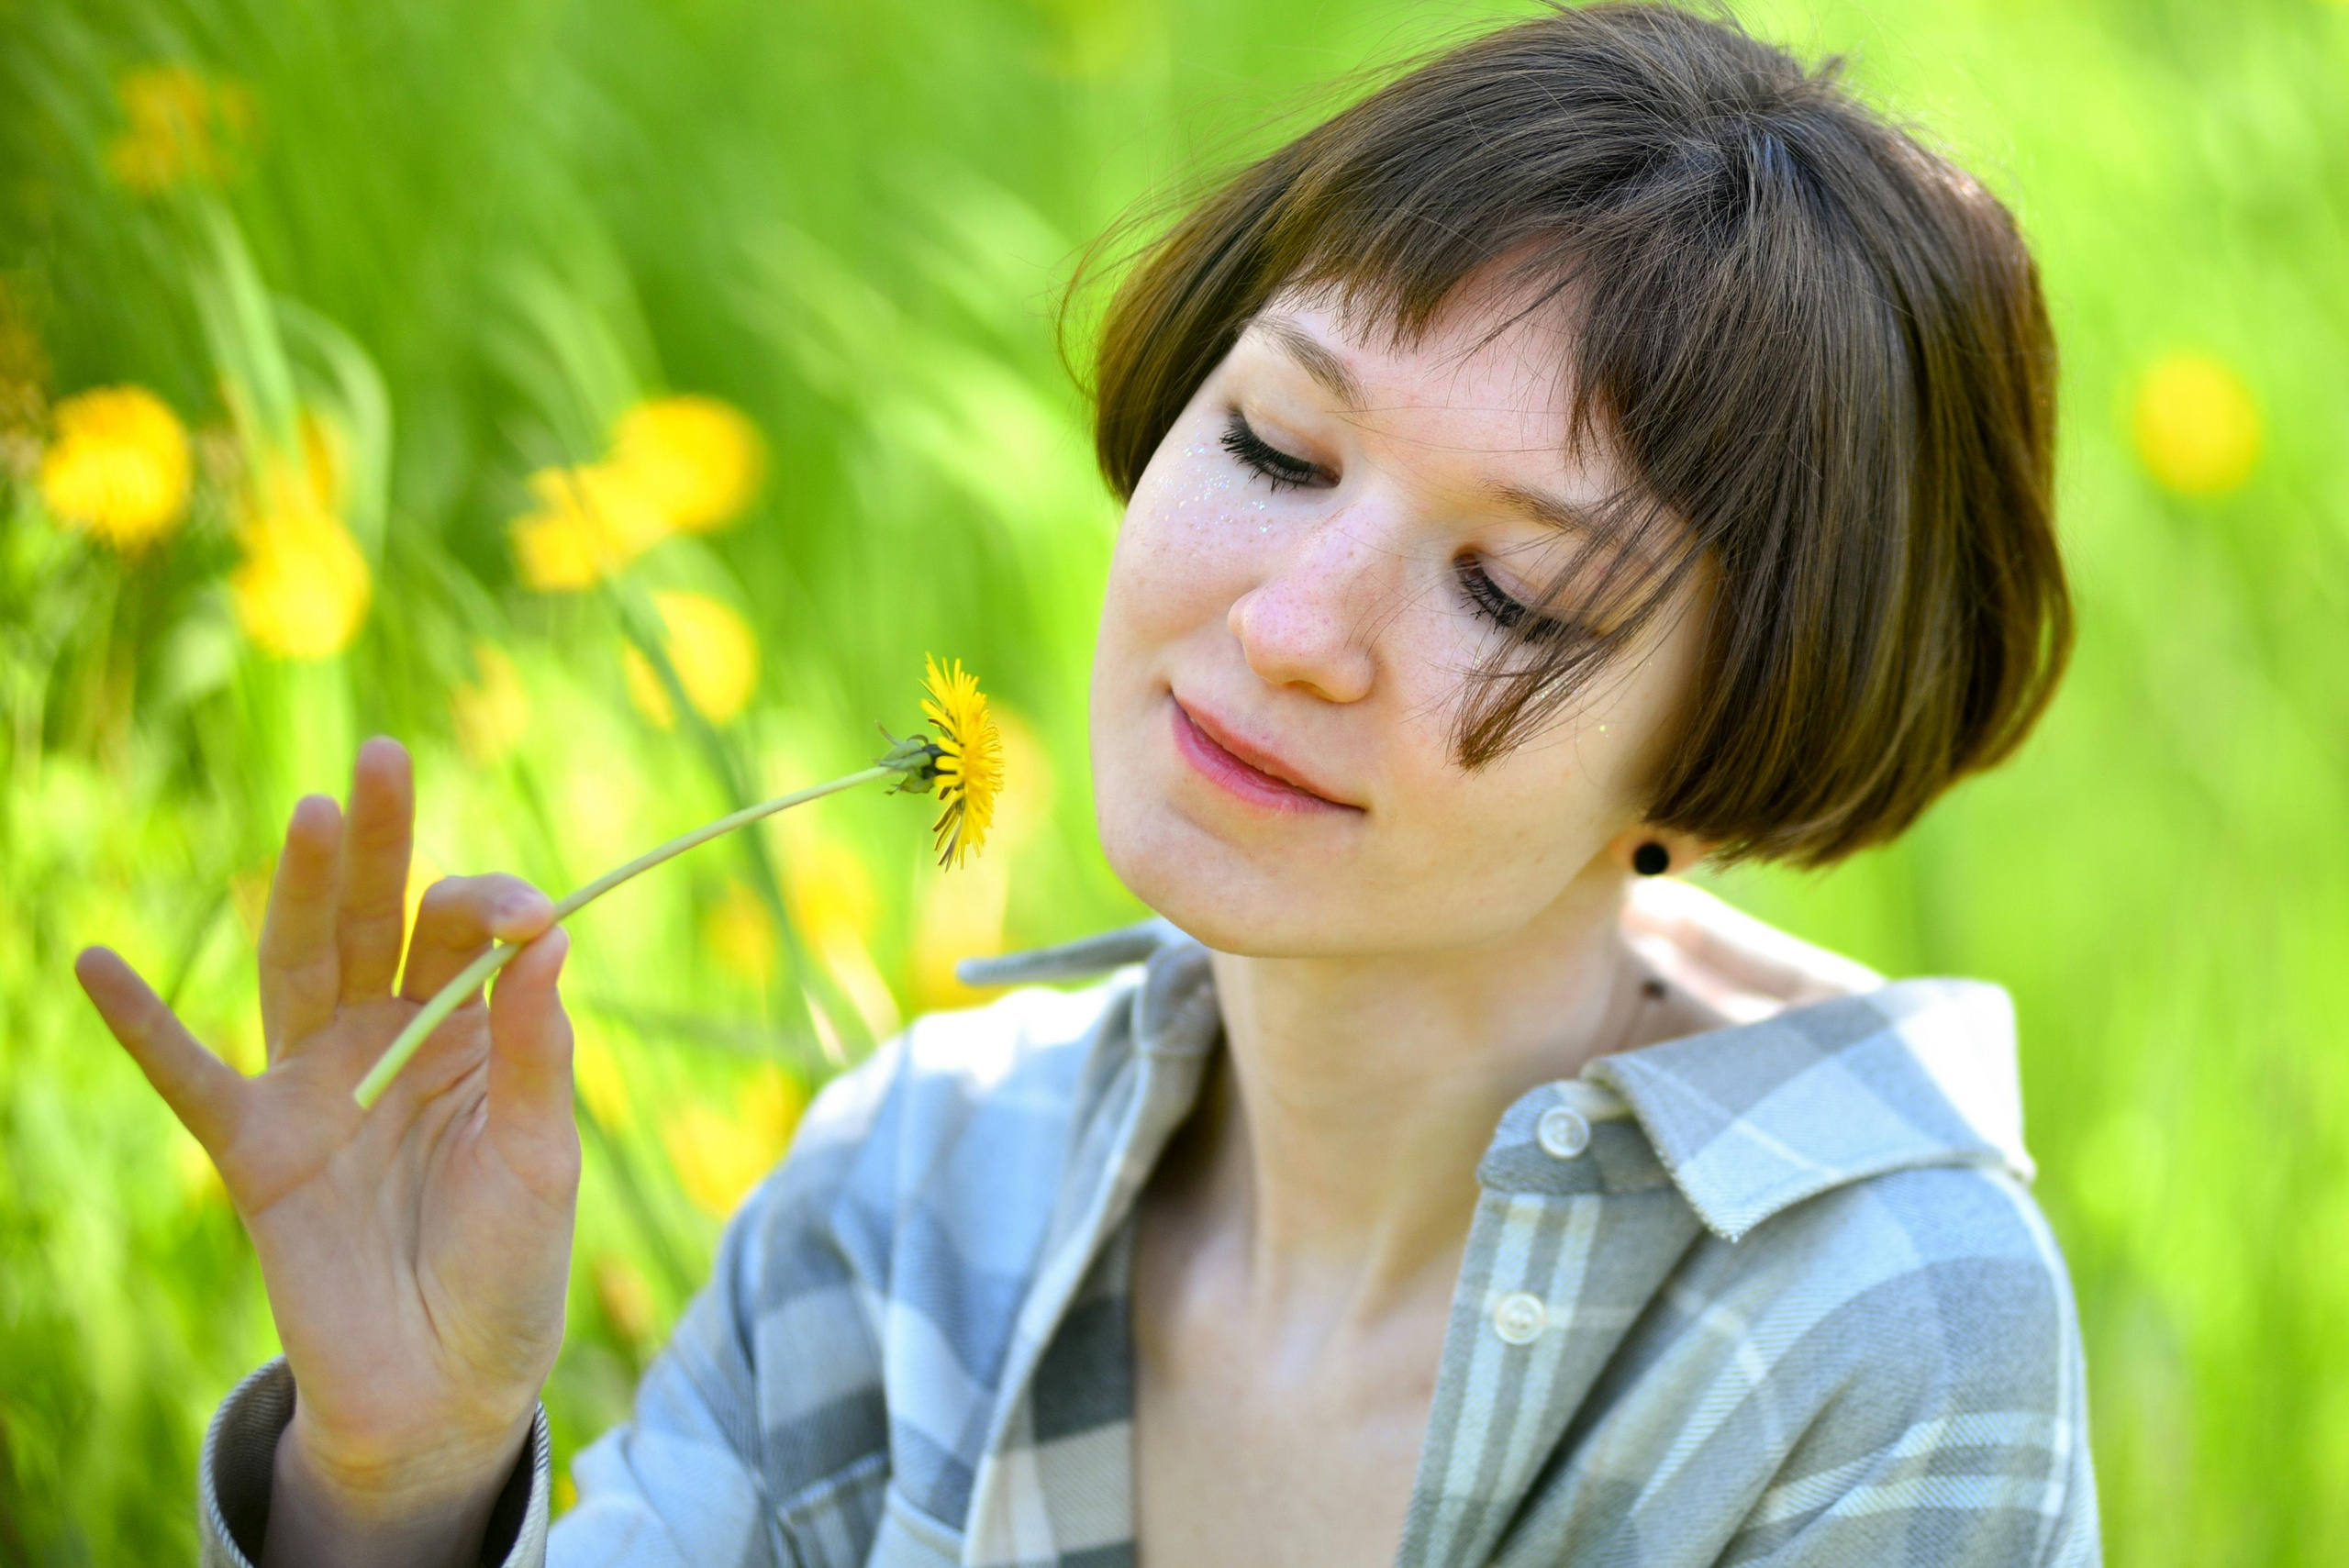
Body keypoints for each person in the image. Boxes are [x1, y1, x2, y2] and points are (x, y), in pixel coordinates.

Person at [75, 5, 2099, 1565]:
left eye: (1508, 585)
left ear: (1739, 725)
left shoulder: (1877, 1334)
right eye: (1280, 452)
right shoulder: (921, 1174)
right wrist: (404, 1481)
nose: (1294, 621)